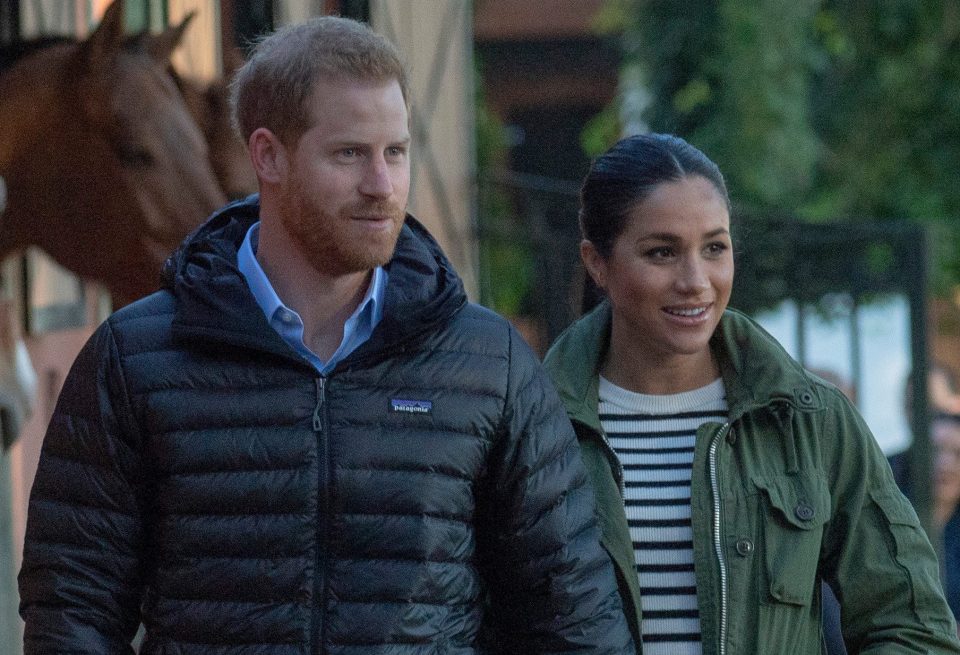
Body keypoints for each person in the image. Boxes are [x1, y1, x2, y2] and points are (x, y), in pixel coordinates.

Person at [18, 17, 635, 654]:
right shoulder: (135, 358)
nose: (382, 186)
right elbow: (72, 609)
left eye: (395, 152)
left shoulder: (487, 364)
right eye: (350, 154)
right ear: (268, 155)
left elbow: (573, 618)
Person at [542, 132, 960, 653]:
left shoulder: (809, 420)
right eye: (661, 252)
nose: (696, 280)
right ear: (597, 262)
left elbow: (914, 626)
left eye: (714, 247)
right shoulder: (535, 424)